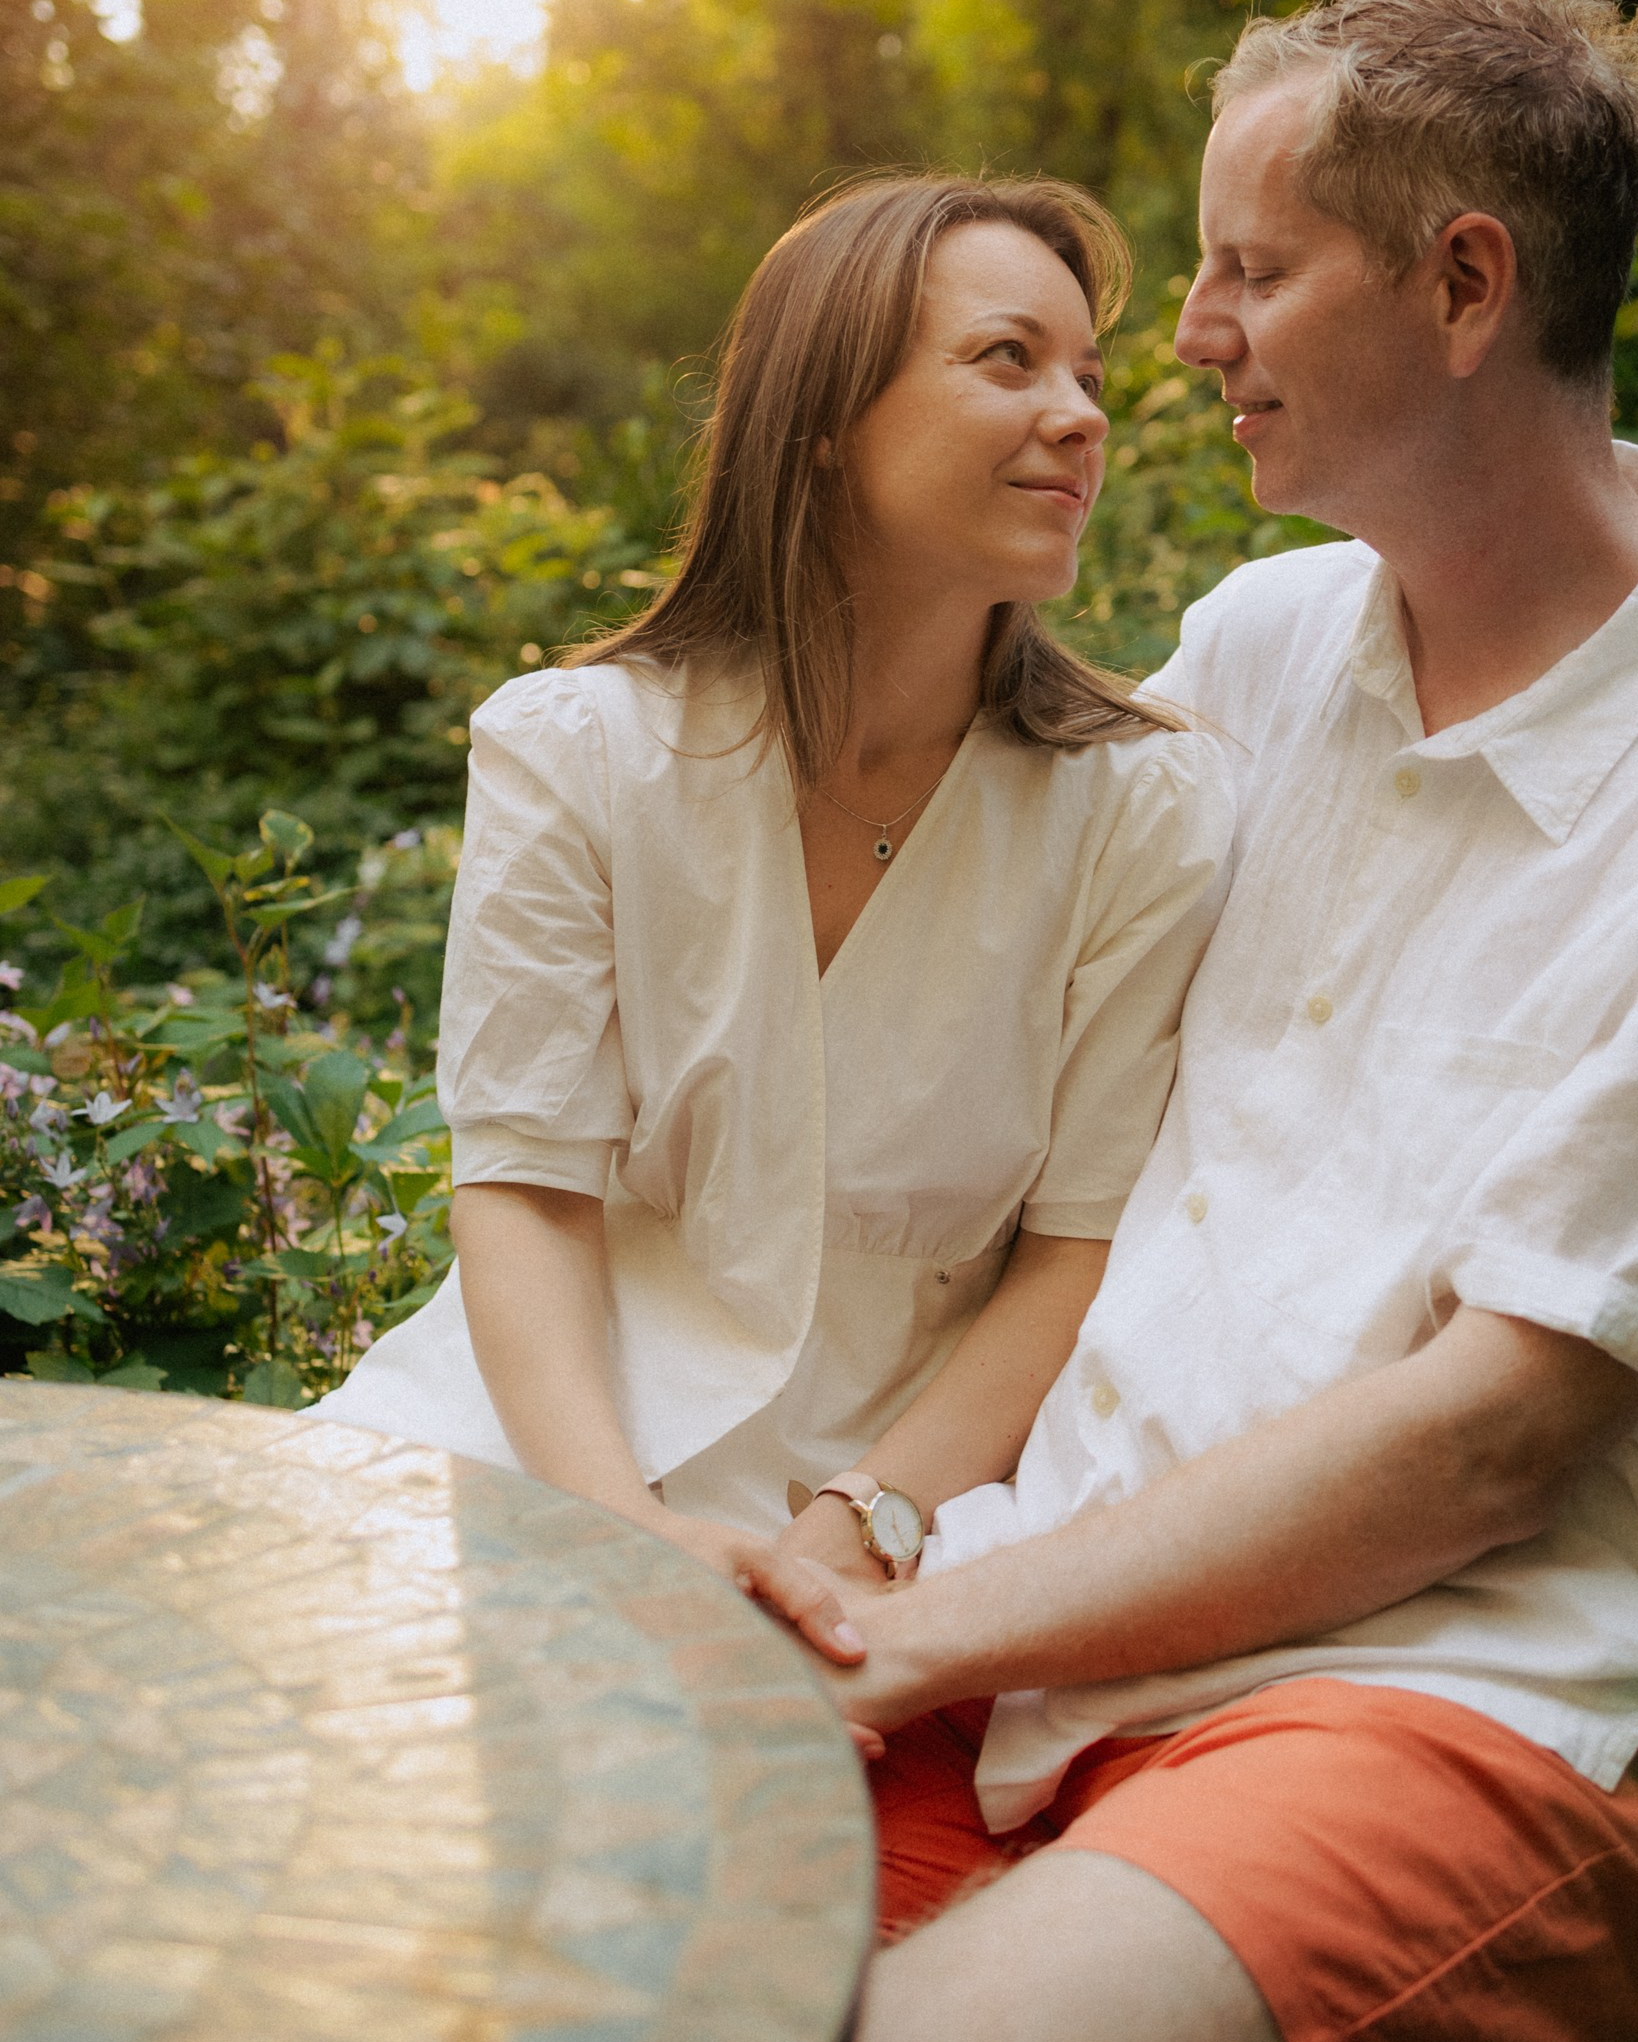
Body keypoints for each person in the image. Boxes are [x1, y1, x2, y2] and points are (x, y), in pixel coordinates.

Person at [758, 0, 1638, 2042]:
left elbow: (1487, 1444)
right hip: (1056, 1629)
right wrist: (861, 1527)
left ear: (1463, 286)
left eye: (1246, 264)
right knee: (547, 2014)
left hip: (1467, 1706)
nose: (1183, 331)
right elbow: (1036, 1124)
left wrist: (928, 1629)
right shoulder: (1267, 651)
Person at [309, 173, 1228, 1659]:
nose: (1082, 414)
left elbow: (1076, 1247)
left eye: (1090, 374)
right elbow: (527, 1188)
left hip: (922, 1500)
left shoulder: (1144, 808)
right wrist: (618, 1529)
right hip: (538, 1444)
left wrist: (864, 1521)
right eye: (1010, 358)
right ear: (822, 419)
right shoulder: (576, 754)